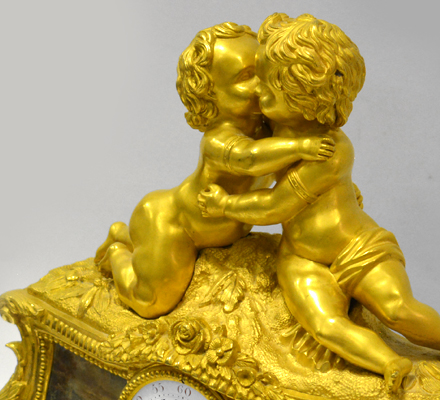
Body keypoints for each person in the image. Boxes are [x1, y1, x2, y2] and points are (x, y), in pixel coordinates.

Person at [197, 14, 440, 392]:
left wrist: (224, 206)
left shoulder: (330, 149)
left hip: (356, 247)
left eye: (271, 86)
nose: (259, 91)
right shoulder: (275, 127)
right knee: (324, 325)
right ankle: (388, 363)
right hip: (302, 257)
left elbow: (275, 207)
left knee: (396, 308)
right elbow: (244, 154)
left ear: (305, 97)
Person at [95, 22, 334, 318]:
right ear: (210, 94)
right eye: (246, 77)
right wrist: (302, 147)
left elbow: (299, 175)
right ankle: (118, 248)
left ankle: (132, 238)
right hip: (174, 225)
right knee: (150, 300)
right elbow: (250, 159)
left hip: (220, 225)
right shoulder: (218, 141)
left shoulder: (271, 129)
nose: (261, 85)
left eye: (262, 71)